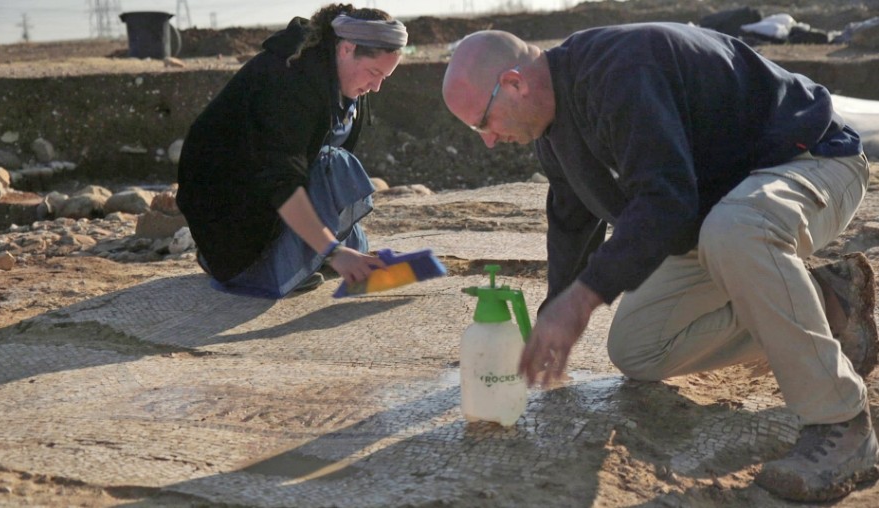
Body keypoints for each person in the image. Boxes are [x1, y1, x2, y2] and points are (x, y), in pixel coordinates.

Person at [442, 23, 878, 502]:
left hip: (808, 161)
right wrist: (556, 306)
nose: (487, 140)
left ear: (514, 83)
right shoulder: (552, 132)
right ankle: (829, 301)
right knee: (639, 348)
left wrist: (584, 301)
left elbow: (666, 201)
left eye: (482, 123)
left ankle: (841, 422)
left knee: (733, 231)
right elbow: (573, 219)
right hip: (719, 211)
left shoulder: (621, 69)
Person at [176, 4, 407, 298]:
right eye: (374, 72)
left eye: (384, 78)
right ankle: (229, 261)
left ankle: (308, 252)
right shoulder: (288, 80)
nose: (376, 87)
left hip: (277, 193)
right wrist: (333, 251)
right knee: (334, 164)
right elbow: (280, 175)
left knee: (354, 241)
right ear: (346, 49)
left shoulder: (345, 82)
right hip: (232, 209)